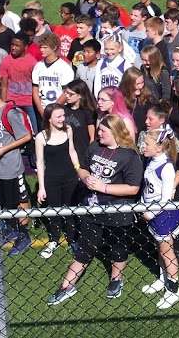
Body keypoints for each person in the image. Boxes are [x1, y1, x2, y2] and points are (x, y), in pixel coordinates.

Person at [47, 115, 143, 305]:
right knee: (85, 247)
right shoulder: (94, 147)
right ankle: (66, 286)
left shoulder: (130, 156)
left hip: (117, 212)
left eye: (103, 131)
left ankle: (116, 280)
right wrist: (85, 178)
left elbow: (133, 188)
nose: (98, 133)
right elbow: (82, 168)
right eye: (99, 129)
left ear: (115, 132)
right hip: (91, 209)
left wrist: (104, 188)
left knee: (118, 248)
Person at [0, 78, 33, 256]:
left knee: (18, 202)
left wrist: (3, 150)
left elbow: (26, 136)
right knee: (1, 203)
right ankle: (11, 231)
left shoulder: (10, 113)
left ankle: (24, 235)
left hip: (11, 167)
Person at [139, 126, 179, 310]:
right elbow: (149, 188)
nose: (143, 145)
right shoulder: (152, 161)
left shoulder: (166, 167)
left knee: (168, 253)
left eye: (147, 143)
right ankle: (163, 278)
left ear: (159, 147)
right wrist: (143, 204)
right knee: (161, 249)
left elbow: (166, 198)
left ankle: (174, 290)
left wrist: (151, 212)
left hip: (163, 215)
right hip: (153, 213)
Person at [35, 103, 81, 259]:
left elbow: (72, 150)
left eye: (63, 115)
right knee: (54, 211)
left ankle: (72, 238)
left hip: (70, 177)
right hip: (52, 179)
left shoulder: (68, 130)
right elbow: (40, 163)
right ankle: (54, 239)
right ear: (49, 119)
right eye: (59, 116)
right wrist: (41, 187)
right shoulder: (41, 137)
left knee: (70, 210)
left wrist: (78, 170)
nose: (63, 119)